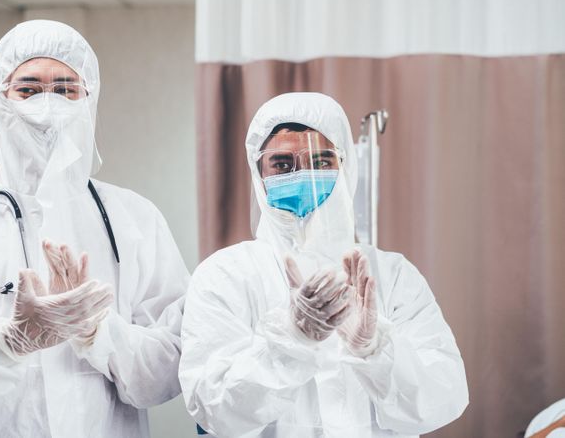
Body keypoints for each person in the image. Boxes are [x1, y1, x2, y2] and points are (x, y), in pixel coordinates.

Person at [0, 20, 188, 437]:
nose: (48, 103)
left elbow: (170, 370)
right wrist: (7, 341)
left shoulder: (135, 218)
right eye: (28, 89)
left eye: (66, 89)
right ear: (0, 97)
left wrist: (98, 332)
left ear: (89, 97)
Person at [179, 92, 469, 437]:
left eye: (321, 161)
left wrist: (375, 348)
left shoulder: (392, 276)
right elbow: (213, 411)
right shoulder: (224, 275)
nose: (305, 176)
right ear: (259, 173)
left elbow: (444, 398)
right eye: (283, 165)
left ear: (345, 166)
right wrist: (291, 339)